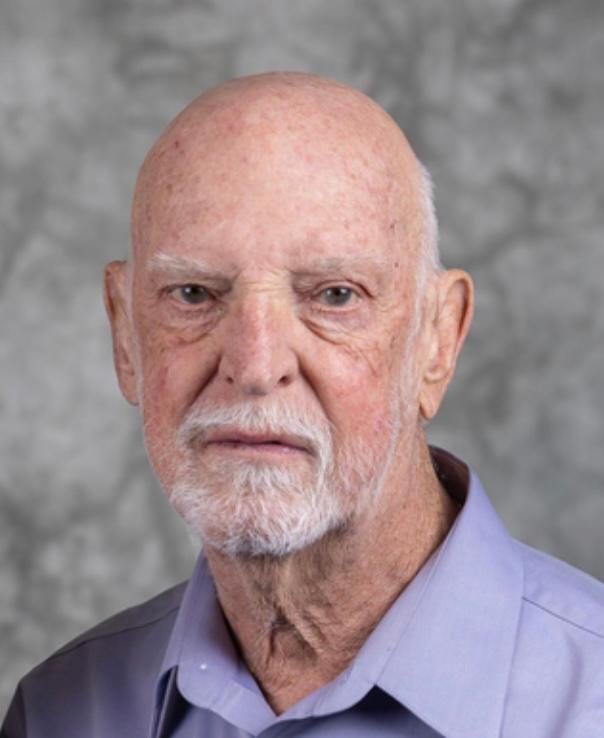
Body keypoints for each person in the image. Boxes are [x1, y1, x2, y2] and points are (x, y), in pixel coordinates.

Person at [2, 72, 603, 738]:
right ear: (125, 338)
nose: (256, 368)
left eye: (334, 296)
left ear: (437, 341)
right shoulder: (60, 714)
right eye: (194, 294)